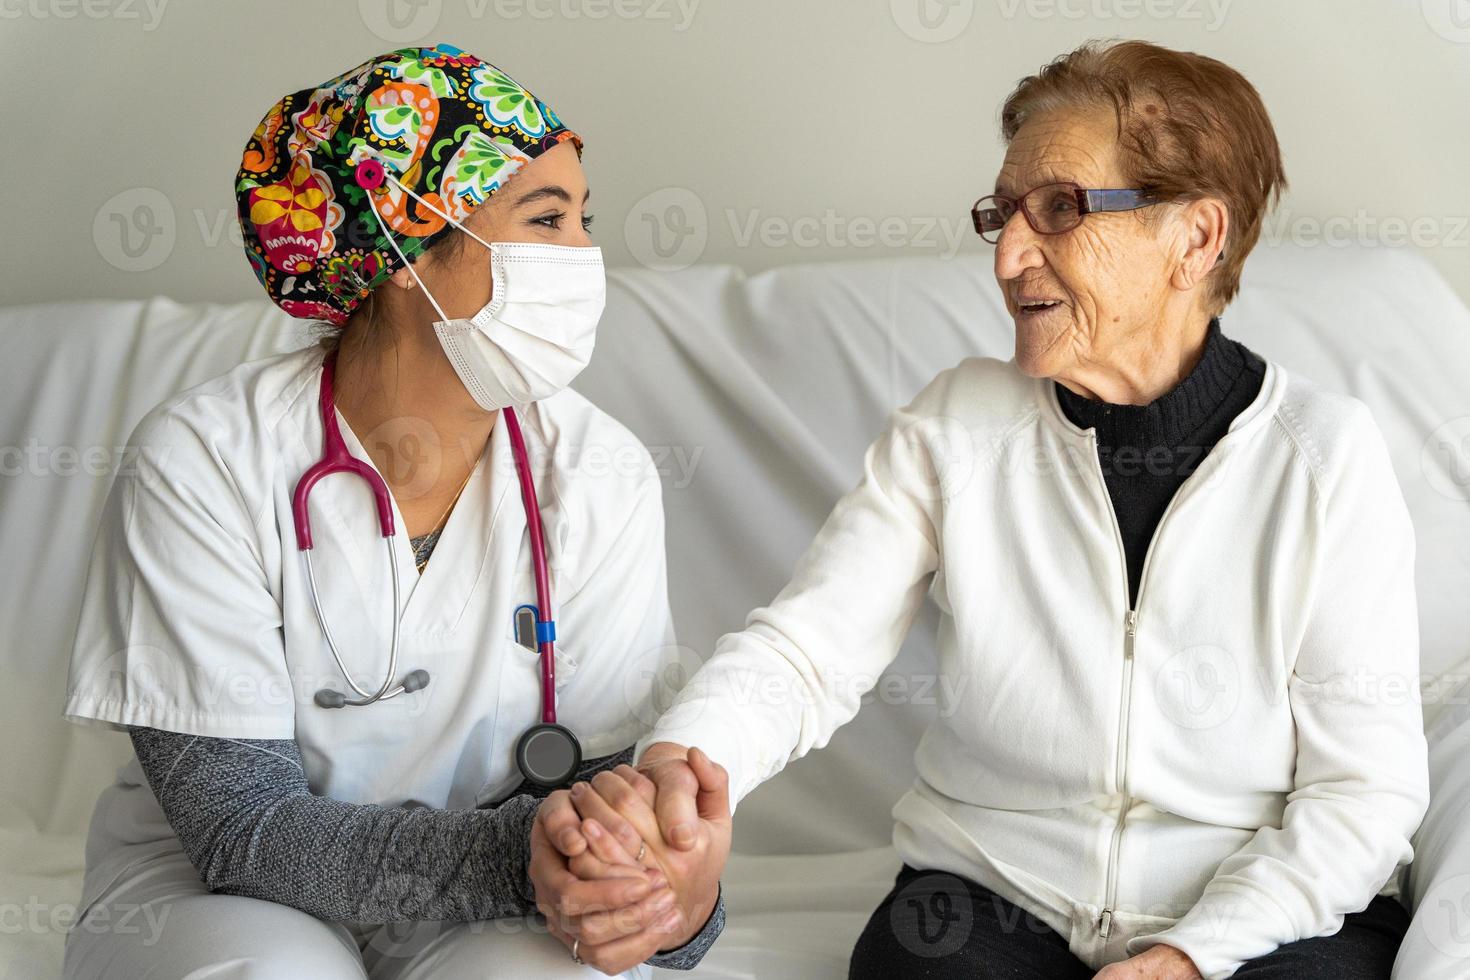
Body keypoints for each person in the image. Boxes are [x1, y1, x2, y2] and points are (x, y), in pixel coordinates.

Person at [533, 39, 1430, 980]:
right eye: (1002, 214)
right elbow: (807, 651)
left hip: (1260, 909)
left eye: (1059, 210)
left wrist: (1192, 955)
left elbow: (1362, 793)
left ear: (1196, 239)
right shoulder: (958, 425)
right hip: (998, 896)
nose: (1008, 255)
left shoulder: (1325, 458)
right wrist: (678, 768)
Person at [61, 43, 722, 979]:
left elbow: (605, 788)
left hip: (495, 893)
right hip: (222, 889)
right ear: (406, 248)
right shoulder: (204, 458)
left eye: (585, 220)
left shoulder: (601, 470)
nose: (586, 258)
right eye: (547, 220)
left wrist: (661, 893)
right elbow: (241, 830)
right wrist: (533, 859)